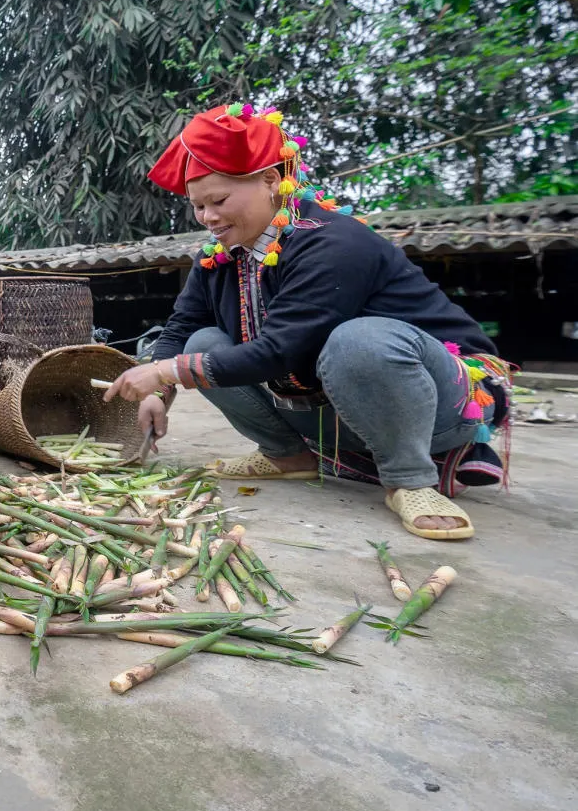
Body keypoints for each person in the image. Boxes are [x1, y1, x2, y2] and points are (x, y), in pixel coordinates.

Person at [104, 102, 511, 541]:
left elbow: (283, 349)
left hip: (438, 404)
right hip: (335, 408)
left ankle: (410, 479)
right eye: (198, 206)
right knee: (203, 341)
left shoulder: (333, 242)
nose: (209, 217)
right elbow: (182, 326)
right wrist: (159, 393)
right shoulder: (217, 257)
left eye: (219, 201)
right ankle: (287, 455)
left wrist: (166, 371)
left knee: (359, 340)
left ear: (270, 181)